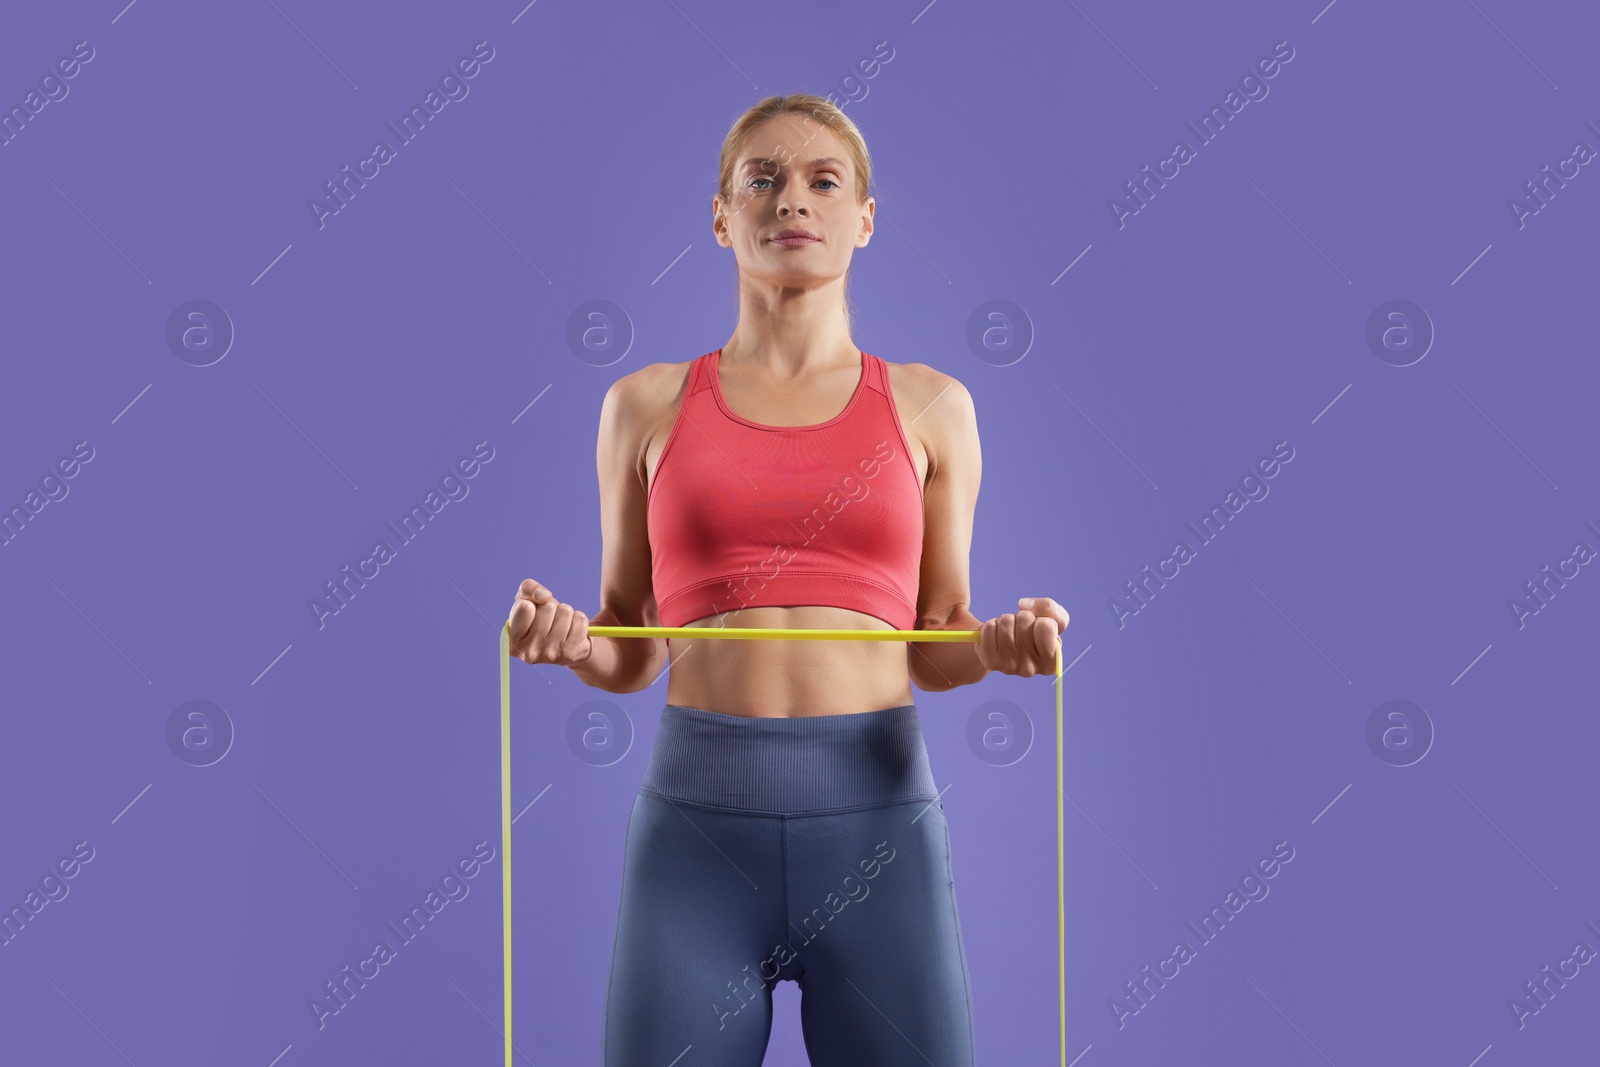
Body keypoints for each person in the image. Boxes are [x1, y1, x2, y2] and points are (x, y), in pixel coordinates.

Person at [507, 92, 1069, 1066]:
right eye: (759, 180)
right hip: (694, 841)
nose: (790, 201)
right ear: (720, 216)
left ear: (864, 218)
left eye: (823, 180)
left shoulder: (936, 405)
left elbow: (935, 640)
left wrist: (995, 645)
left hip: (879, 832)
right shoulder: (640, 405)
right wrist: (568, 639)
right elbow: (628, 644)